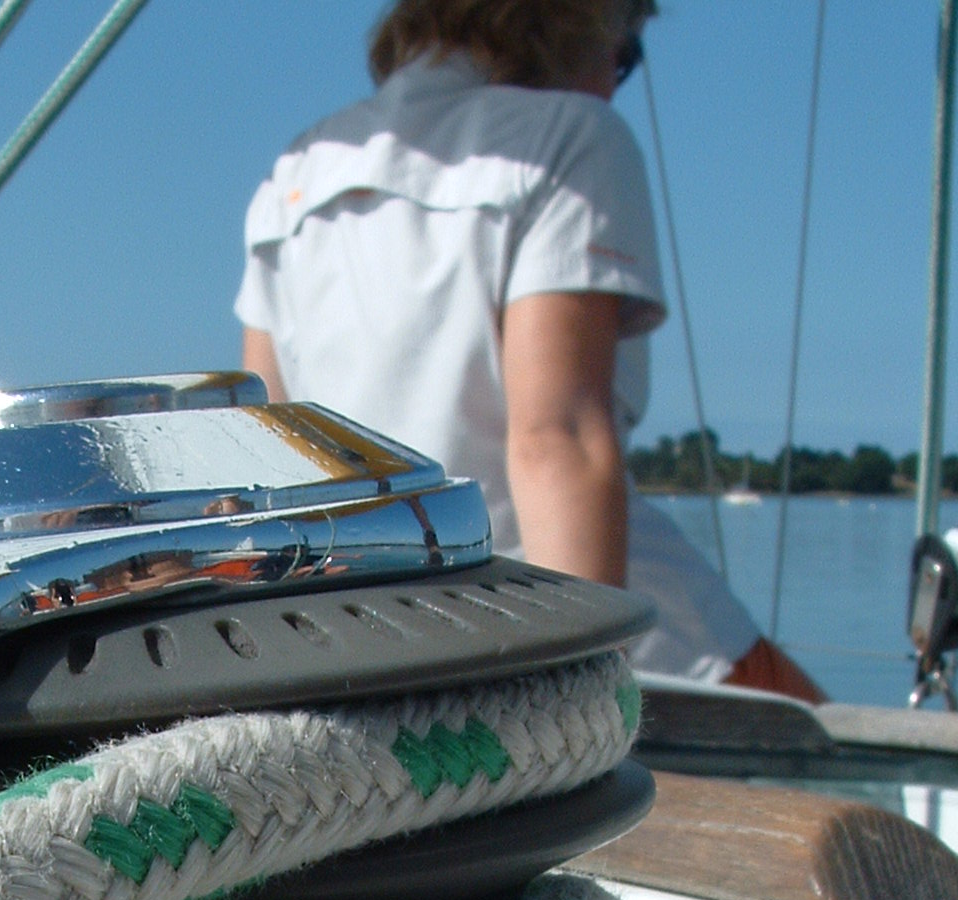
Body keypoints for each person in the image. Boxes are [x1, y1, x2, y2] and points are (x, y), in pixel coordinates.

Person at [236, 0, 825, 704]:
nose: (616, 83)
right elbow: (558, 440)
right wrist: (577, 708)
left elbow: (268, 457)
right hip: (533, 602)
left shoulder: (292, 178)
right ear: (582, 23)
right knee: (807, 723)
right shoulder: (572, 138)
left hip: (357, 626)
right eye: (627, 57)